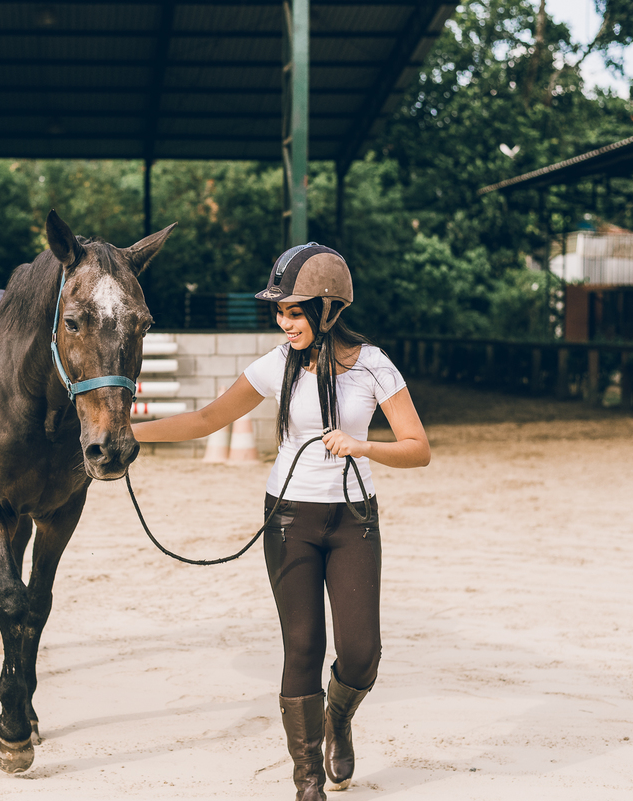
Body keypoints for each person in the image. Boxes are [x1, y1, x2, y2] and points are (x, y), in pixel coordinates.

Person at [132, 243, 430, 801]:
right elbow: (206, 419)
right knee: (303, 647)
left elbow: (419, 448)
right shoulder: (275, 366)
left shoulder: (372, 364)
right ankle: (307, 781)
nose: (283, 321)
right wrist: (130, 433)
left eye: (294, 310)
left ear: (328, 309)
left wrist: (363, 446)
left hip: (354, 520)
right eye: (280, 311)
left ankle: (338, 720)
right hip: (288, 517)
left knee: (362, 652)